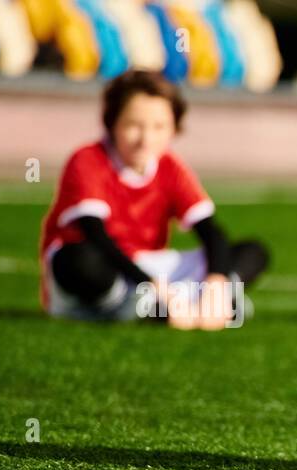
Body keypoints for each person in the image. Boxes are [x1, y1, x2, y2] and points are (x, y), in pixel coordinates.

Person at [39, 69, 269, 329]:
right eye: (134, 126)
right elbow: (95, 233)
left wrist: (216, 282)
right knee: (79, 261)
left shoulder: (169, 166)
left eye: (159, 127)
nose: (146, 139)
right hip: (111, 271)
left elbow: (209, 230)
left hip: (151, 265)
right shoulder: (88, 160)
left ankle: (197, 302)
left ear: (174, 129)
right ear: (112, 123)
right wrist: (150, 285)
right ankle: (145, 305)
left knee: (252, 251)